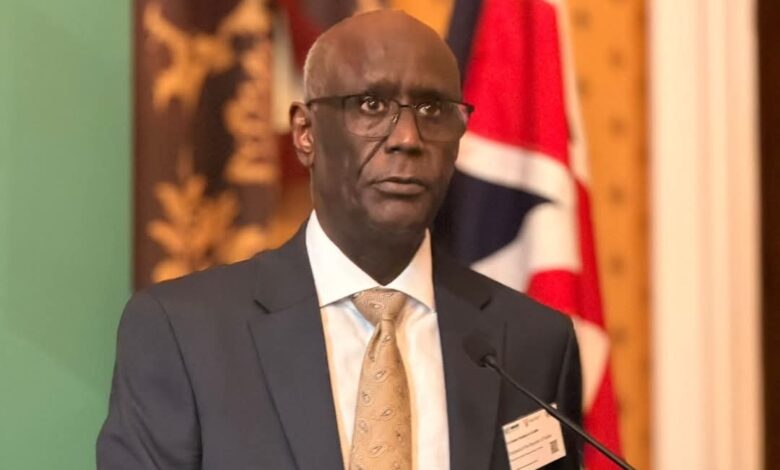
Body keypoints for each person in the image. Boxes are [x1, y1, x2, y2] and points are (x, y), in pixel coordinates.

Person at [97, 10, 582, 470]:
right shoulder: (185, 334)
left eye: (433, 109)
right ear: (305, 133)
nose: (408, 138)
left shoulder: (532, 344)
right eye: (371, 105)